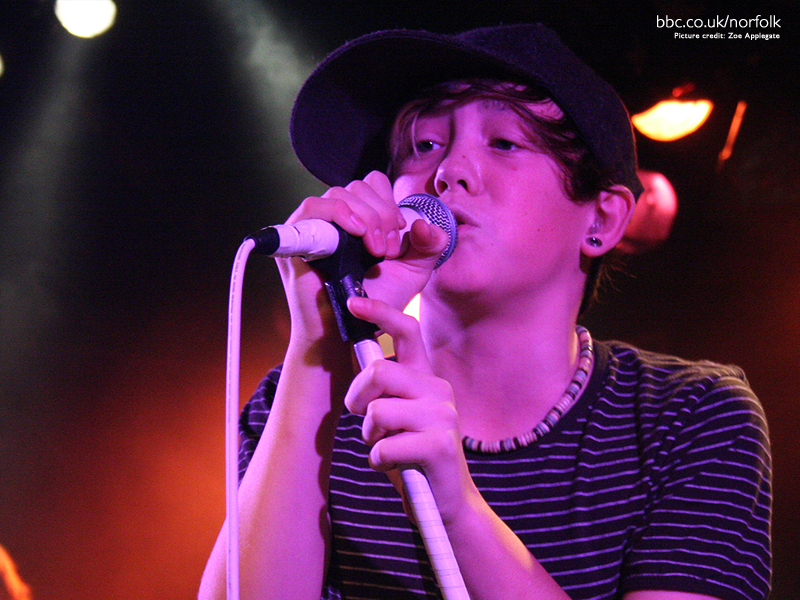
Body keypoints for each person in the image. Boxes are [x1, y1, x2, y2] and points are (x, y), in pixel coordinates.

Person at [199, 24, 771, 600]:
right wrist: (321, 338)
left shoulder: (690, 416)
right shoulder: (309, 404)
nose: (448, 171)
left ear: (602, 219)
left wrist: (458, 508)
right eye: (424, 146)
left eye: (504, 143)